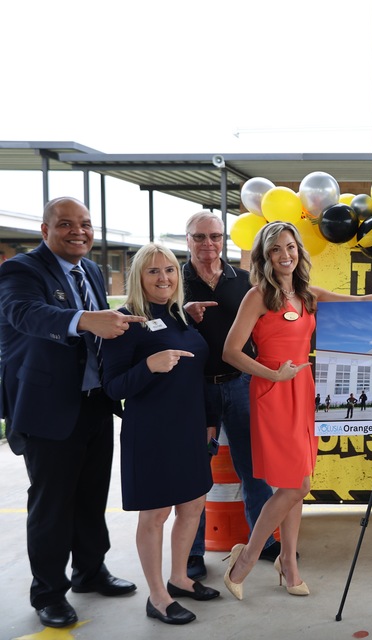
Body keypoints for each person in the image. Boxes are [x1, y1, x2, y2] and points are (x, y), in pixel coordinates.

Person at [220, 221, 372, 600]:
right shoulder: (257, 296)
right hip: (273, 389)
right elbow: (230, 351)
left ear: (299, 251)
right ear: (265, 256)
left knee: (297, 482)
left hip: (303, 389)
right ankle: (247, 559)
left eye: (290, 247)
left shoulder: (307, 295)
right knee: (295, 485)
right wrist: (273, 373)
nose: (285, 255)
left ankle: (289, 565)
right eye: (276, 250)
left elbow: (360, 303)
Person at [0, 197, 140, 628]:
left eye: (85, 224)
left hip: (95, 401)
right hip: (49, 408)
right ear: (45, 231)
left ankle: (89, 571)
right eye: (65, 224)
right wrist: (84, 320)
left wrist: (167, 317)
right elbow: (27, 313)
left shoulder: (92, 270)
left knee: (91, 496)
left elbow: (104, 319)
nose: (78, 231)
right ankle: (48, 592)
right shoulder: (20, 271)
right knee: (51, 504)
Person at [101, 244, 220, 625]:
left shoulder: (179, 316)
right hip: (151, 431)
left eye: (169, 269)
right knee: (155, 514)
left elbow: (198, 373)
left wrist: (210, 420)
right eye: (153, 271)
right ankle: (157, 596)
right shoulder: (124, 322)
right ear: (139, 276)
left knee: (193, 505)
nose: (163, 278)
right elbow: (113, 388)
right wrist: (150, 366)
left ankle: (180, 577)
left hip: (189, 427)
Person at [181, 211, 280, 579]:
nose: (209, 244)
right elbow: (150, 316)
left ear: (224, 240)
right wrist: (181, 311)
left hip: (240, 384)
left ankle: (265, 541)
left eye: (215, 236)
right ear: (187, 239)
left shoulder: (244, 281)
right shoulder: (174, 279)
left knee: (254, 469)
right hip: (194, 390)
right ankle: (191, 552)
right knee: (194, 473)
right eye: (200, 237)